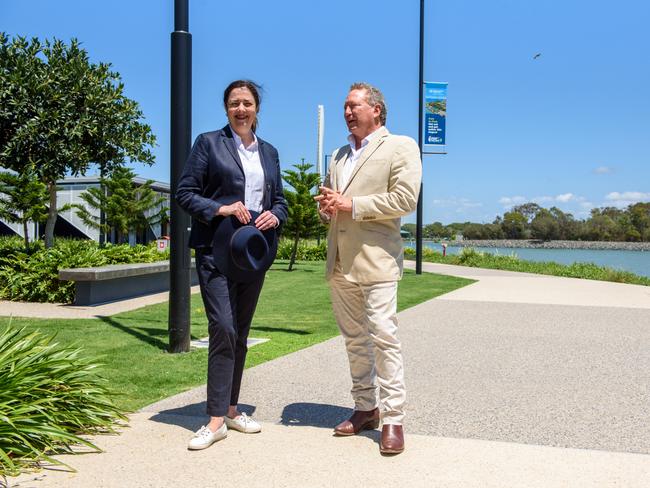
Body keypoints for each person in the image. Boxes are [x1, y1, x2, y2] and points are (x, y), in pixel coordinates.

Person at [176, 80, 288, 450]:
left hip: (253, 252)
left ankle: (231, 408)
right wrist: (221, 208)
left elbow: (281, 201)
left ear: (257, 109)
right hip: (215, 250)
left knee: (240, 331)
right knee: (222, 327)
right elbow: (185, 193)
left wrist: (275, 214)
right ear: (226, 108)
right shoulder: (209, 143)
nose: (241, 109)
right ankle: (214, 420)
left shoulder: (269, 152)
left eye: (247, 103)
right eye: (234, 103)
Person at [315, 82, 421, 455]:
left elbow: (405, 199)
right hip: (340, 260)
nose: (347, 111)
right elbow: (332, 201)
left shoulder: (401, 146)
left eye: (353, 105)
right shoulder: (338, 155)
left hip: (377, 260)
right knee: (354, 341)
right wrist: (326, 206)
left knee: (383, 338)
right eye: (344, 106)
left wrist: (351, 205)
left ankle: (393, 418)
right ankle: (365, 407)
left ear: (376, 109)